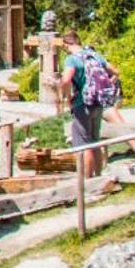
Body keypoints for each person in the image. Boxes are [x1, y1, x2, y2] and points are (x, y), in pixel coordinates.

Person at [57, 31, 108, 178]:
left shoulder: (71, 59)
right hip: (98, 101)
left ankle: (86, 182)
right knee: (95, 140)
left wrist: (67, 98)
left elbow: (66, 80)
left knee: (84, 144)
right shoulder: (94, 55)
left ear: (66, 45)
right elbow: (114, 71)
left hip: (82, 103)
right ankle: (99, 176)